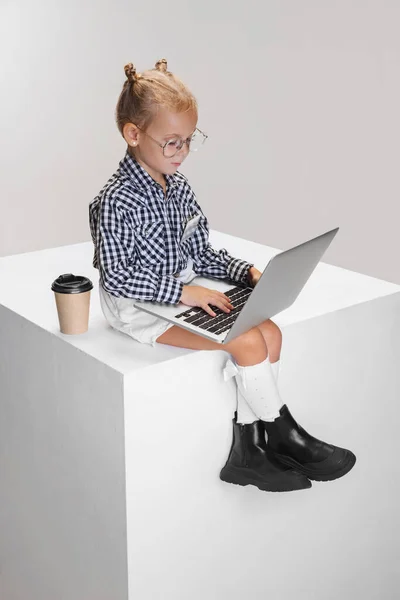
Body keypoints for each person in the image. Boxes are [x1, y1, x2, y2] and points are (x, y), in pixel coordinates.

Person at [89, 58, 356, 493]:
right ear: (133, 135)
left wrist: (245, 271)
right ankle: (285, 435)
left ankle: (247, 451)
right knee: (248, 340)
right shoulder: (115, 201)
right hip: (139, 308)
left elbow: (202, 252)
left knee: (271, 334)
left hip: (182, 294)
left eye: (189, 141)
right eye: (171, 142)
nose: (182, 152)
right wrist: (183, 291)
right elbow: (118, 278)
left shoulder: (182, 190)